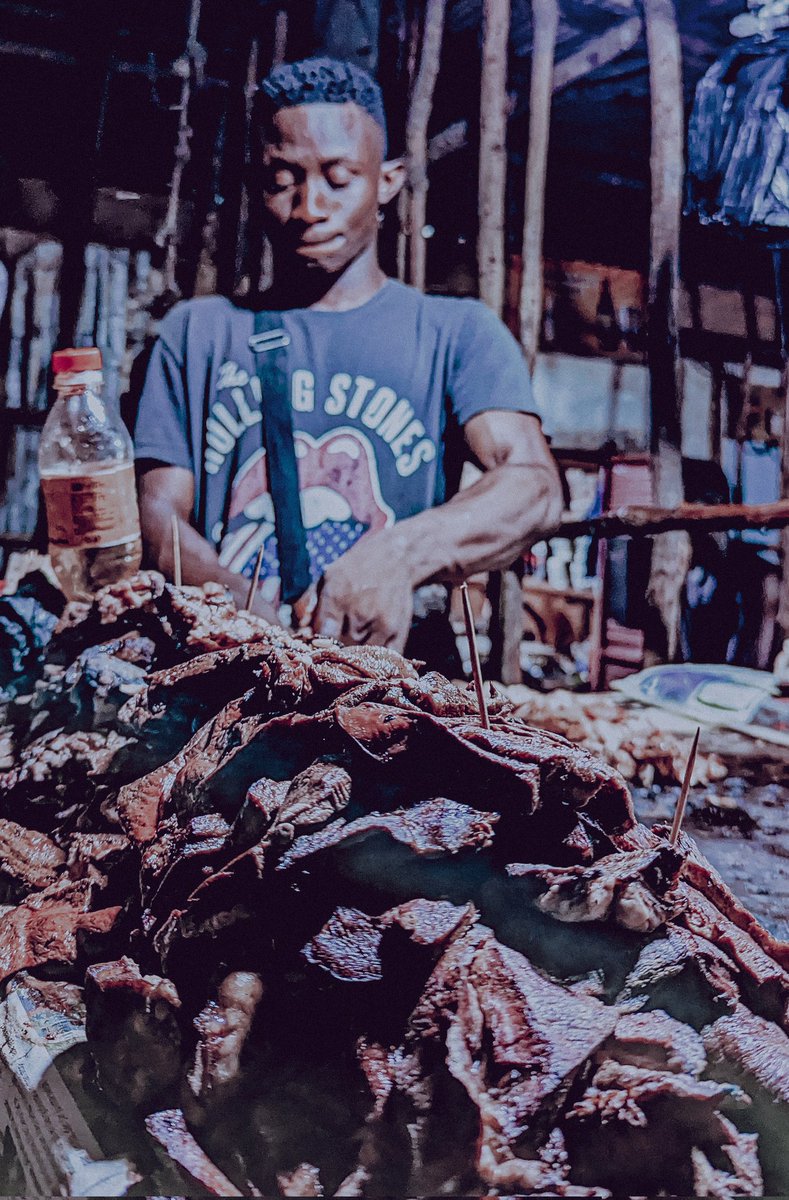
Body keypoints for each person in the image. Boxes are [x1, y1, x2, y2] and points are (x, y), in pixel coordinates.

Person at [133, 57, 562, 664]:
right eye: (284, 179)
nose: (309, 207)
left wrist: (398, 555)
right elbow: (157, 509)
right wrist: (234, 606)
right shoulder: (197, 333)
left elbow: (535, 488)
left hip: (391, 687)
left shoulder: (455, 332)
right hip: (226, 679)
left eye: (339, 178)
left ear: (387, 181)